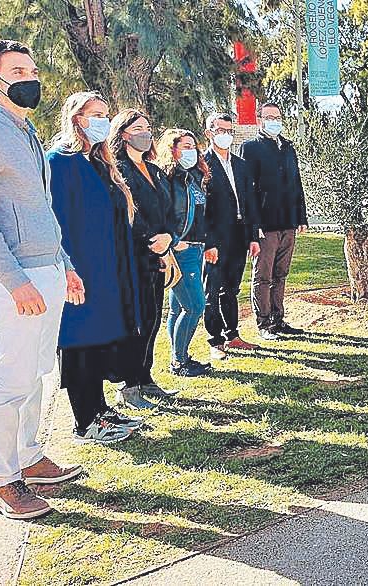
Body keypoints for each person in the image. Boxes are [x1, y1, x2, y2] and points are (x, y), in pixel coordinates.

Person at [0, 40, 83, 520]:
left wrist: (64, 263)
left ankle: (29, 457)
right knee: (11, 378)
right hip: (18, 277)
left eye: (32, 67)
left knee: (36, 374)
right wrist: (14, 280)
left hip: (46, 268)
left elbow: (43, 212)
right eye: (17, 69)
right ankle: (2, 479)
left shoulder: (26, 131)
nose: (30, 76)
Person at [48, 92, 144, 441]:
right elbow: (55, 222)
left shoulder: (100, 162)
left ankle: (101, 410)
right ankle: (84, 420)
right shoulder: (60, 161)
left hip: (109, 269)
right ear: (76, 118)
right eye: (95, 114)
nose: (103, 120)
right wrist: (69, 268)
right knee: (80, 344)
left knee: (99, 342)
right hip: (80, 271)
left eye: (106, 114)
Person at [110, 108, 178, 406]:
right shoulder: (118, 169)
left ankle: (146, 378)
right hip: (135, 255)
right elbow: (129, 213)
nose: (146, 133)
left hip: (159, 255)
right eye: (139, 127)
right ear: (123, 134)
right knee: (136, 321)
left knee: (152, 319)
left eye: (148, 127)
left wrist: (169, 239)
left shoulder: (157, 171)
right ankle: (130, 384)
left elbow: (171, 211)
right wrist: (153, 241)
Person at [238, 103, 308, 341]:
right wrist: (253, 225)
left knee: (281, 274)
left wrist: (301, 216)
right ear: (260, 120)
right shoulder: (250, 148)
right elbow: (247, 191)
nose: (274, 121)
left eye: (277, 117)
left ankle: (279, 319)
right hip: (265, 225)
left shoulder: (288, 148)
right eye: (269, 117)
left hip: (288, 222)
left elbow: (296, 183)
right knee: (263, 276)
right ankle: (264, 322)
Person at [202, 113, 261, 360]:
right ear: (209, 133)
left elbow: (250, 202)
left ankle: (232, 335)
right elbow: (201, 207)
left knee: (231, 288)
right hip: (216, 237)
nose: (225, 134)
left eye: (229, 130)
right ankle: (215, 341)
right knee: (212, 289)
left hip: (239, 234)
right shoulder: (201, 164)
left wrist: (253, 236)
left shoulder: (240, 164)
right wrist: (208, 242)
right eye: (220, 130)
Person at [157, 129, 215, 375]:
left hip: (196, 247)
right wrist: (175, 241)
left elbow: (201, 215)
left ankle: (178, 358)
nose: (191, 151)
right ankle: (179, 362)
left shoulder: (194, 176)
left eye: (193, 146)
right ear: (172, 150)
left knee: (179, 308)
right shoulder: (168, 177)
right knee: (195, 306)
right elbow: (162, 213)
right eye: (185, 146)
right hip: (182, 249)